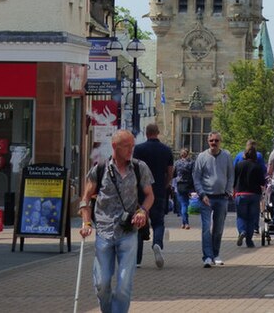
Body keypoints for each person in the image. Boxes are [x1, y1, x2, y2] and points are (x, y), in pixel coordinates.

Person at [79, 129, 154, 313]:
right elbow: (85, 199)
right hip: (104, 231)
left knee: (124, 284)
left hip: (128, 232)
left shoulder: (139, 167)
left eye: (132, 146)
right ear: (114, 146)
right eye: (126, 146)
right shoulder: (100, 168)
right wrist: (86, 223)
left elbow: (150, 195)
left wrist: (143, 211)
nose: (131, 150)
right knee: (102, 283)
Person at [133, 123, 173, 269]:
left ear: (146, 132)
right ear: (158, 132)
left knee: (138, 223)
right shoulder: (166, 150)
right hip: (158, 191)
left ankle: (137, 260)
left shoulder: (138, 149)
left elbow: (133, 170)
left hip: (140, 192)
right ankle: (157, 243)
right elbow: (170, 172)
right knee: (158, 223)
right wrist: (165, 185)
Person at [193, 131, 234, 267]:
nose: (214, 143)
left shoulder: (227, 156)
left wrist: (228, 191)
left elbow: (230, 175)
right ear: (208, 141)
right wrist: (202, 194)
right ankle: (207, 257)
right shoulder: (202, 157)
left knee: (218, 228)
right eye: (211, 141)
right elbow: (196, 177)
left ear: (220, 141)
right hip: (206, 197)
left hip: (222, 197)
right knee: (206, 228)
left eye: (216, 140)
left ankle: (216, 254)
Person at [233, 139, 267, 244]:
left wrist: (233, 189)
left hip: (241, 193)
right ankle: (249, 240)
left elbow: (234, 178)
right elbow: (262, 181)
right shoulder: (257, 166)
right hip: (254, 194)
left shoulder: (239, 165)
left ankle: (242, 231)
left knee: (241, 215)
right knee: (252, 217)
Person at [173, 148, 195, 229]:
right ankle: (186, 223)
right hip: (189, 185)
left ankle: (183, 223)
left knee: (183, 204)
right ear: (188, 154)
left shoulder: (177, 163)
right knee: (186, 204)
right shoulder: (191, 163)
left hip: (180, 185)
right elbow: (194, 174)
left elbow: (173, 174)